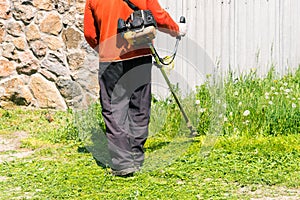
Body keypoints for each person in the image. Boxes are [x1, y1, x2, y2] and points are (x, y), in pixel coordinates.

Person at [84, 0, 187, 176]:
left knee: (113, 110)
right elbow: (159, 16)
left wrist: (104, 48)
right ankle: (136, 157)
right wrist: (177, 29)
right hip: (140, 55)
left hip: (111, 59)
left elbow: (90, 33)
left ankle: (123, 164)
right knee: (139, 106)